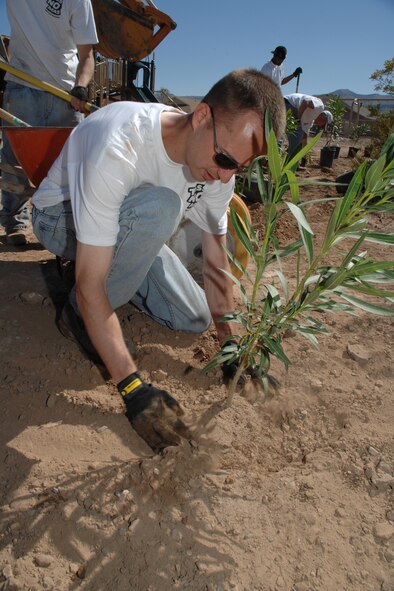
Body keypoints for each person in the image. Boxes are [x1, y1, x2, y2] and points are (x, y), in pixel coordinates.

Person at [31, 68, 286, 453]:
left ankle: (117, 262)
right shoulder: (120, 144)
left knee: (195, 317)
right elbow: (92, 286)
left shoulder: (220, 169)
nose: (222, 177)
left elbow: (217, 265)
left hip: (131, 224)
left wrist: (231, 349)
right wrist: (133, 388)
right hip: (59, 218)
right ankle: (76, 316)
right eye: (223, 159)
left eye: (237, 167)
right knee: (161, 207)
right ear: (201, 116)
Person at [0, 0, 98, 246]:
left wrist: (81, 86)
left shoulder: (78, 1)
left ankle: (68, 225)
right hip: (22, 86)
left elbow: (87, 55)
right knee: (14, 162)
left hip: (65, 94)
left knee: (73, 163)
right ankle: (15, 223)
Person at [283, 93, 333, 157]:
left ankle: (289, 156)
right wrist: (298, 118)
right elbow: (305, 102)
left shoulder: (309, 122)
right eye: (323, 125)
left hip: (287, 105)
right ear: (324, 118)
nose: (320, 126)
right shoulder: (320, 106)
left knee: (297, 135)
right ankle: (290, 159)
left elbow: (304, 137)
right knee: (298, 134)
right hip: (289, 103)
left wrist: (305, 155)